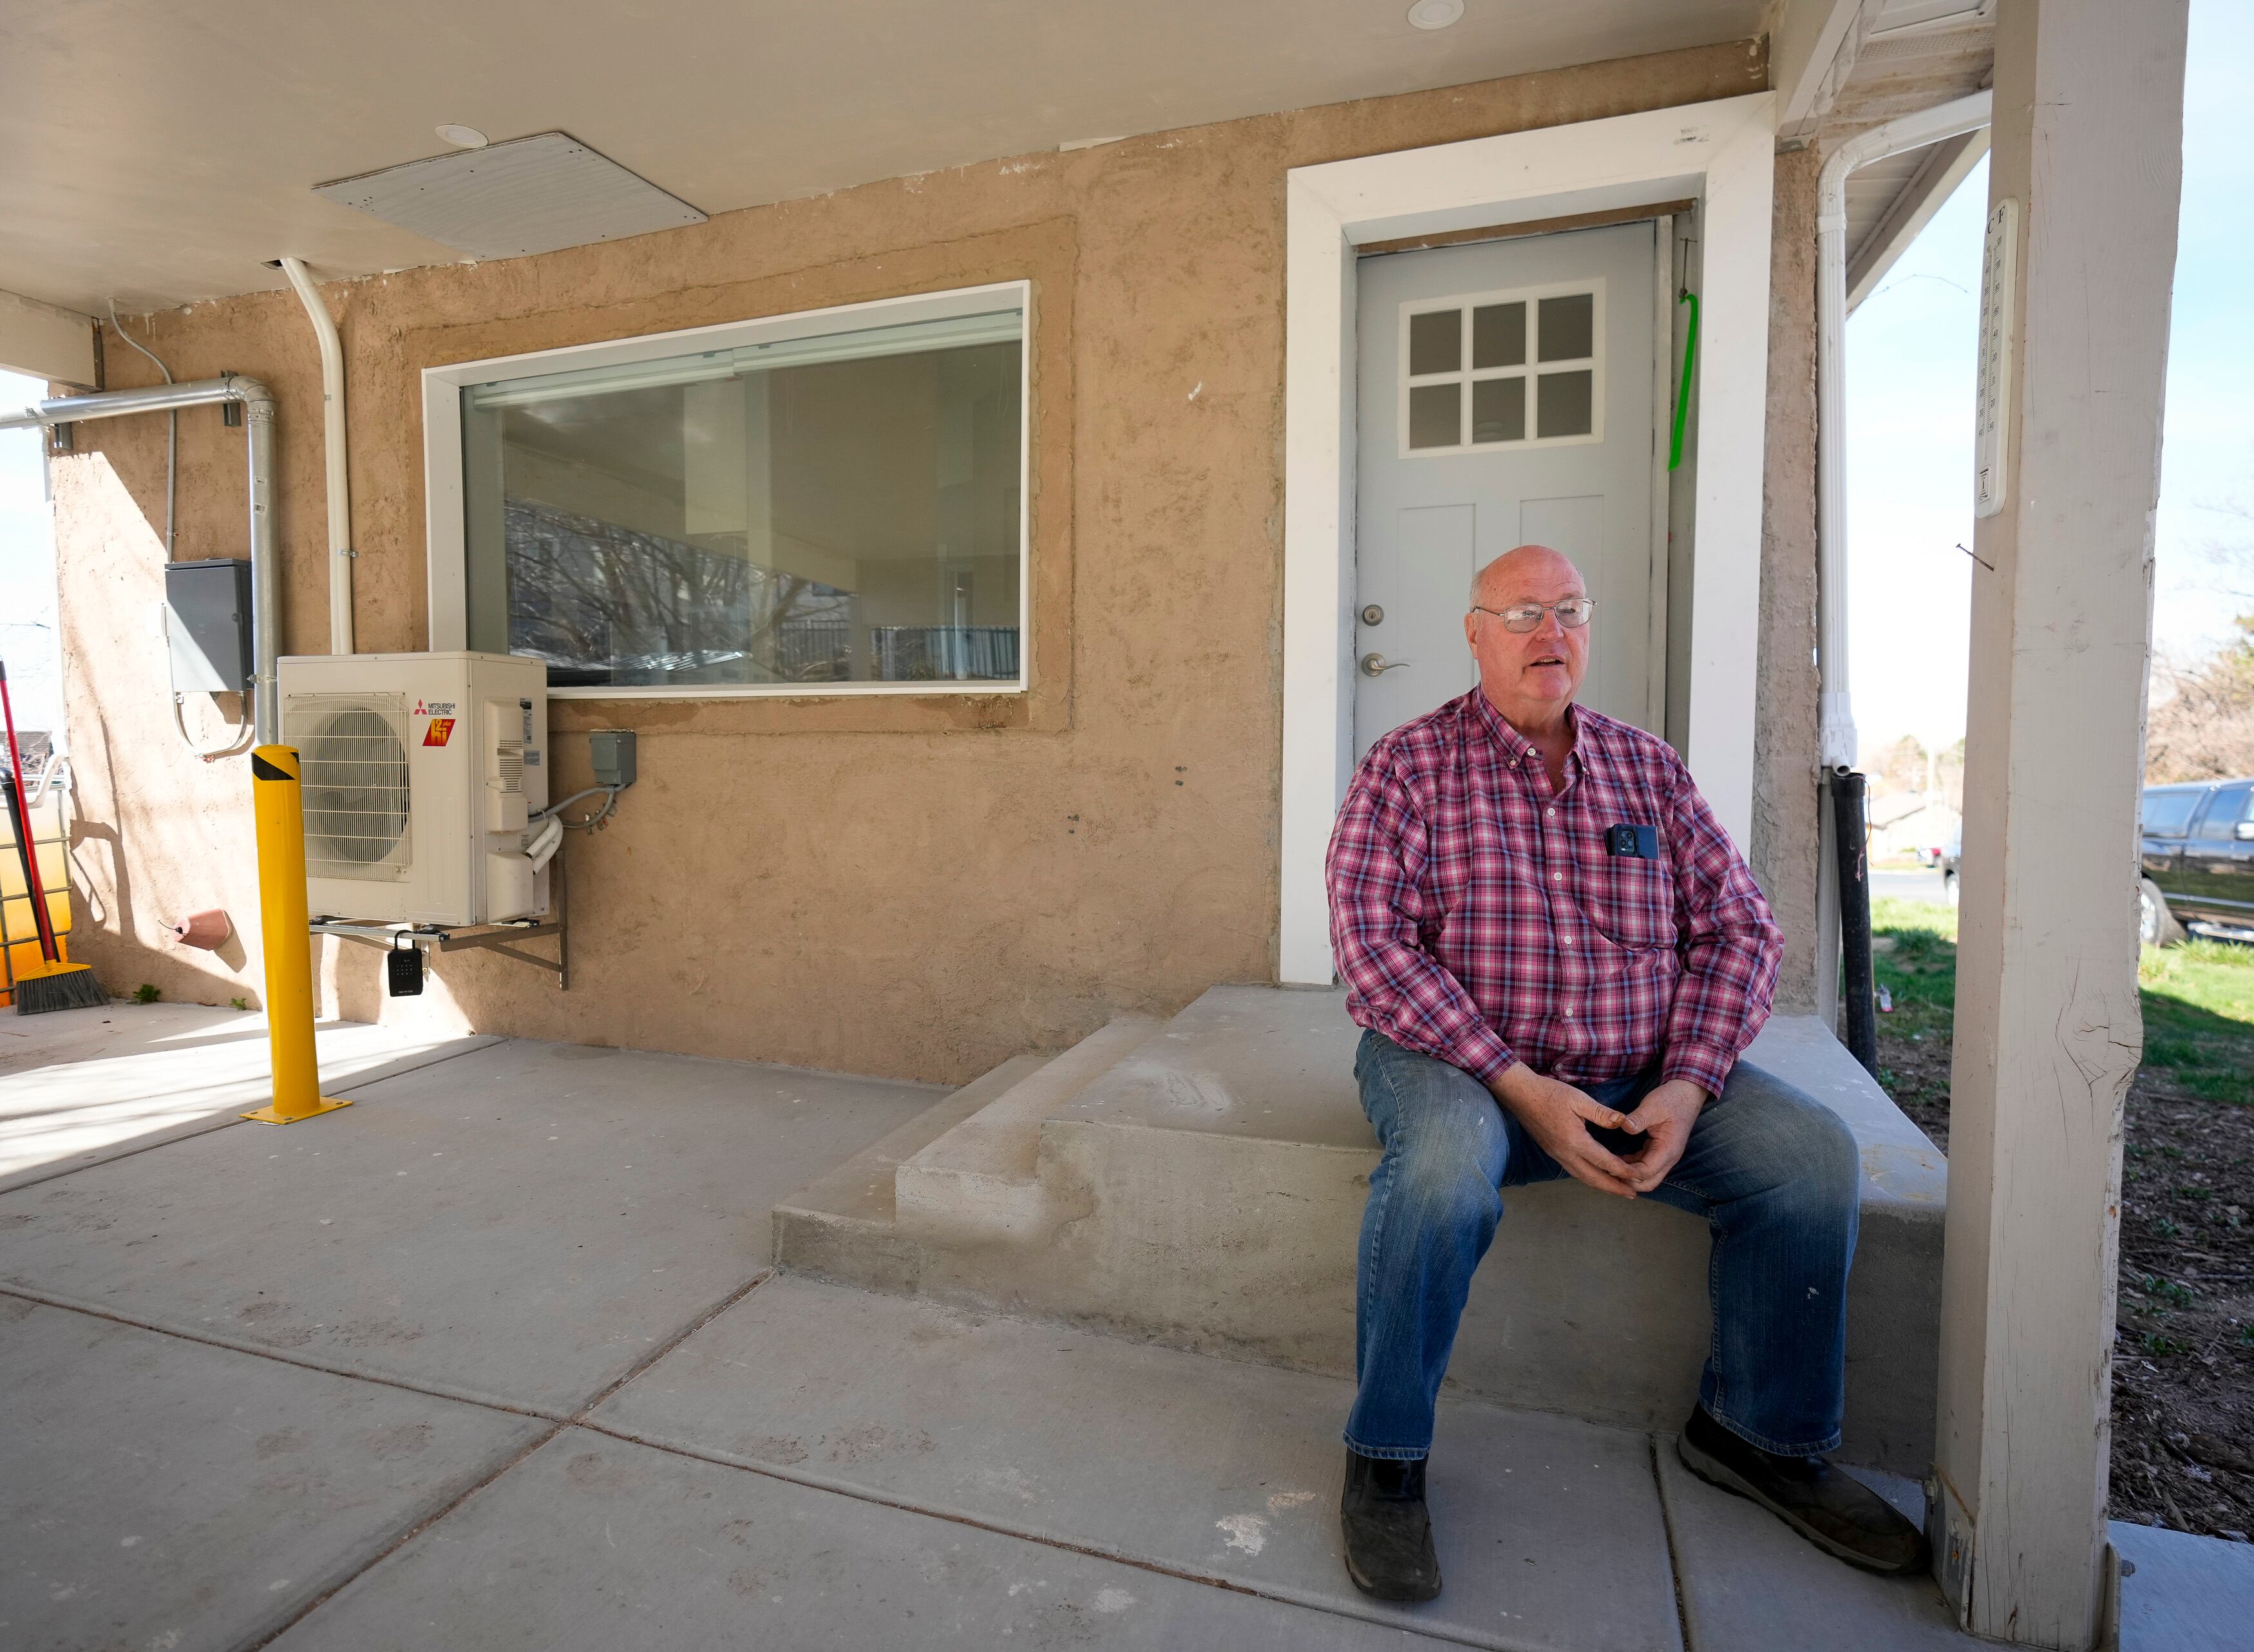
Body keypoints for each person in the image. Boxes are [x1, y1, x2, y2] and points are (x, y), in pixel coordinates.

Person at [1325, 544, 1926, 1602]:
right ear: (1473, 635)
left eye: (1569, 610)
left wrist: (1689, 1085)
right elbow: (1374, 950)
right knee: (1437, 1174)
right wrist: (1519, 1086)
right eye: (1519, 614)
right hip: (1462, 1068)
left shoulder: (1649, 768)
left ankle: (1757, 1434)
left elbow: (1742, 929)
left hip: (1640, 1072)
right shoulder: (1406, 767)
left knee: (1807, 1157)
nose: (1548, 634)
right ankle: (1386, 1457)